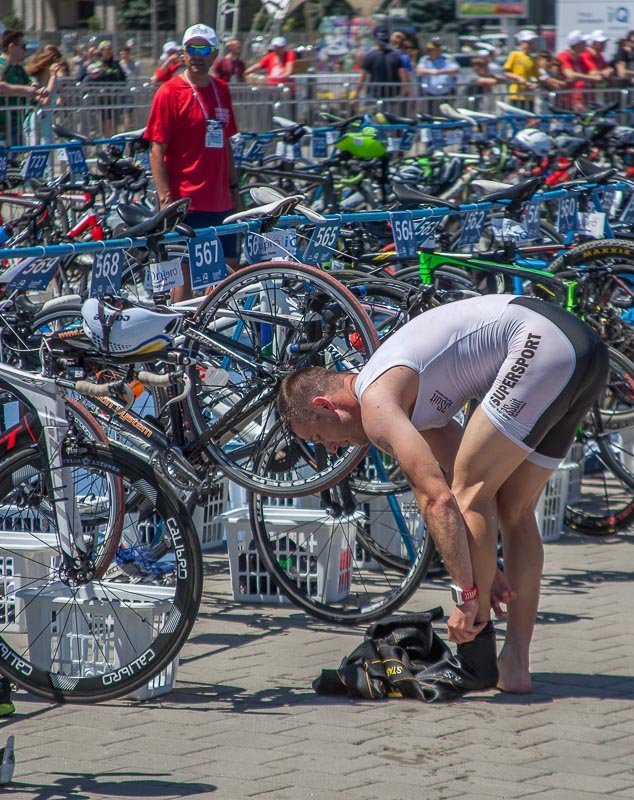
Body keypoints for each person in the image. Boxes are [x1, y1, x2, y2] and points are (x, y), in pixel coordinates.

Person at [276, 294, 610, 694]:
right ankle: (514, 665)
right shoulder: (408, 400)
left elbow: (440, 500)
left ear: (324, 405)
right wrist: (488, 571)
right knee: (513, 508)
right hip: (584, 352)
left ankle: (476, 656)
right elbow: (464, 486)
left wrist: (468, 595)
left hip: (541, 345)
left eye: (317, 436)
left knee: (472, 492)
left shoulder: (377, 402)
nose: (330, 449)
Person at [144, 24, 241, 302]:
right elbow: (156, 149)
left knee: (227, 270)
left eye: (204, 49)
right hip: (185, 202)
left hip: (221, 201)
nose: (197, 55)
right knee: (184, 274)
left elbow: (225, 145)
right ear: (183, 54)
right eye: (191, 49)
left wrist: (235, 189)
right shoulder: (169, 92)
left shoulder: (222, 89)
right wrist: (165, 198)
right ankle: (180, 336)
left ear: (215, 55)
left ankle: (211, 333)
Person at [0, 29, 45, 147]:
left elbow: (30, 85)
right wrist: (26, 90)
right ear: (12, 47)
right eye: (23, 46)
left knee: (15, 164)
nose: (25, 51)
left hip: (15, 126)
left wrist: (36, 88)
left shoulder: (18, 69)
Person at [358, 28, 409, 104]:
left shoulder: (370, 56)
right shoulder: (397, 56)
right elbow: (404, 79)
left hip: (373, 95)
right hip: (391, 95)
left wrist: (356, 95)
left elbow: (362, 79)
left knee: (372, 115)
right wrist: (401, 95)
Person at [417, 38, 459, 113]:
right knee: (430, 114)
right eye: (428, 50)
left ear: (438, 50)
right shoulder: (424, 59)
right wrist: (432, 72)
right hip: (430, 93)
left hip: (446, 92)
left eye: (432, 50)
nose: (429, 52)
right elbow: (419, 71)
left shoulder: (447, 58)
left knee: (448, 113)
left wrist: (440, 72)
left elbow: (455, 70)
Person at [502, 29, 541, 107]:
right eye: (527, 42)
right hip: (516, 94)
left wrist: (535, 85)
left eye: (532, 42)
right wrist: (518, 78)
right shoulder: (514, 54)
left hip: (529, 96)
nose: (530, 45)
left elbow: (538, 78)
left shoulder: (533, 59)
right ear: (521, 42)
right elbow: (506, 72)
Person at [557, 30, 595, 108]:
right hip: (567, 100)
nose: (586, 44)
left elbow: (594, 72)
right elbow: (570, 75)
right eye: (583, 43)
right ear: (575, 45)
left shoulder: (581, 57)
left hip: (582, 98)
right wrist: (591, 77)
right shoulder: (564, 56)